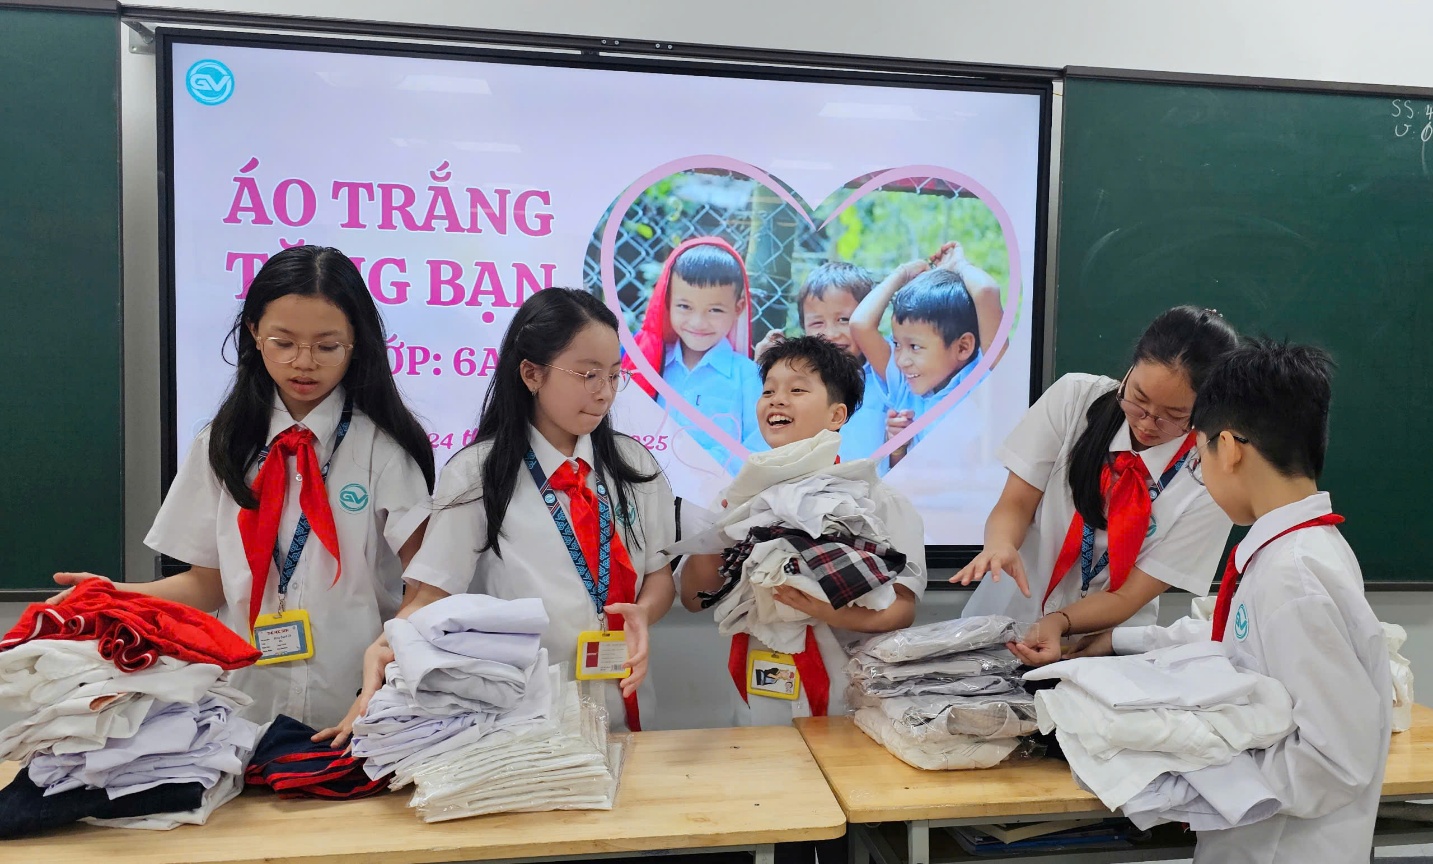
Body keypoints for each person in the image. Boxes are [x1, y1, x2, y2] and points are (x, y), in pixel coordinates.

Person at [52, 245, 434, 736]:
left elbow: (426, 589)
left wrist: (383, 685)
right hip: (242, 705)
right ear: (254, 332)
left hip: (356, 707)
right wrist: (117, 596)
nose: (303, 363)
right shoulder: (223, 444)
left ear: (356, 342)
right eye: (283, 342)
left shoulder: (384, 450)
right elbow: (207, 584)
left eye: (327, 346)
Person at [1065, 340, 1390, 863]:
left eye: (1199, 456)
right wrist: (1119, 641)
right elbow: (1241, 645)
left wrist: (1191, 786)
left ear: (1231, 448)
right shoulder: (1291, 552)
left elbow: (1336, 760)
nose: (1203, 473)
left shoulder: (1294, 575)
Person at [354, 288, 677, 733]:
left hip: (624, 707)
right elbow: (432, 594)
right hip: (521, 720)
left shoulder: (634, 466)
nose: (604, 393)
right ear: (531, 373)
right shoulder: (478, 474)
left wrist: (644, 613)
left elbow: (659, 577)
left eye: (614, 375)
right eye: (588, 375)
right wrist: (387, 644)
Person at [955, 306, 1240, 653]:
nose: (1147, 423)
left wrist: (1060, 622)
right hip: (1004, 617)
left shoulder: (1210, 477)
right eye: (1139, 399)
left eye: (1174, 416)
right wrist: (1000, 545)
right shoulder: (1073, 399)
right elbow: (1015, 504)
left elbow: (1128, 595)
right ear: (1130, 370)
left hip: (1103, 647)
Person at [678, 336, 926, 725]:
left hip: (850, 700)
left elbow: (902, 609)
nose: (777, 400)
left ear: (836, 415)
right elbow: (694, 599)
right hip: (759, 701)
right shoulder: (735, 499)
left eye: (797, 390)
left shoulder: (877, 501)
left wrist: (831, 612)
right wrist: (717, 533)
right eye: (768, 391)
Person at [623, 237, 760, 474]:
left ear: (738, 308)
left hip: (719, 492)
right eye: (685, 307)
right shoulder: (647, 367)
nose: (698, 322)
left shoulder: (749, 376)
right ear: (667, 301)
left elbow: (758, 449)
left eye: (715, 310)